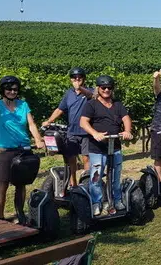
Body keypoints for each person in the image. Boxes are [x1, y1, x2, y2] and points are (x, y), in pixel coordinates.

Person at [0, 74, 44, 221]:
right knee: (3, 184)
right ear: (3, 90)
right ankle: (0, 217)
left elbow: (31, 124)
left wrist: (37, 138)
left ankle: (20, 214)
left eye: (15, 89)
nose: (12, 92)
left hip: (23, 149)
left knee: (21, 184)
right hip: (4, 150)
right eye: (8, 89)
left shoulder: (23, 105)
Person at [80, 75, 133, 216]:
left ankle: (116, 200)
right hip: (97, 148)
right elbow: (83, 122)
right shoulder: (91, 104)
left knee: (115, 175)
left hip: (114, 146)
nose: (106, 90)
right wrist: (95, 133)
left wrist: (127, 130)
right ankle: (97, 203)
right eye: (103, 87)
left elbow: (126, 118)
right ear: (98, 88)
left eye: (109, 87)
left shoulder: (118, 105)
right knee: (96, 177)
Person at [42, 67, 94, 189]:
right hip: (72, 131)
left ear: (84, 79)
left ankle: (87, 185)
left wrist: (80, 88)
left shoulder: (89, 91)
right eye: (74, 78)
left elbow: (92, 96)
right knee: (71, 159)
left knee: (86, 158)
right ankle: (73, 184)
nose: (77, 80)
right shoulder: (68, 94)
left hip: (86, 132)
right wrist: (49, 121)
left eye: (79, 78)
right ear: (71, 80)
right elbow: (60, 109)